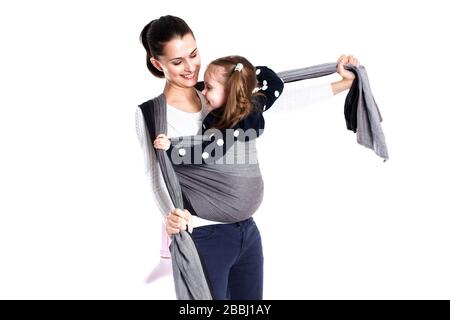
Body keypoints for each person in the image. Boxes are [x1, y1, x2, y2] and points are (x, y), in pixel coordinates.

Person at [136, 15, 358, 299]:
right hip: (204, 235)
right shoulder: (152, 114)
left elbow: (280, 103)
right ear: (158, 64)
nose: (191, 67)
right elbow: (155, 176)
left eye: (193, 54)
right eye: (177, 62)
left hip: (248, 233)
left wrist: (342, 84)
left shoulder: (219, 91)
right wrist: (172, 215)